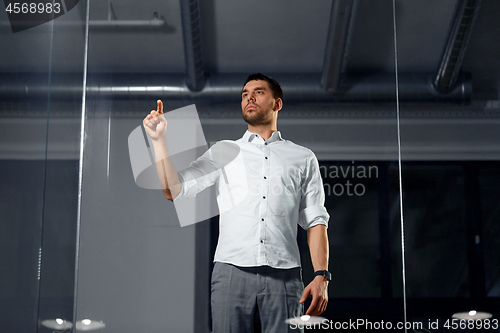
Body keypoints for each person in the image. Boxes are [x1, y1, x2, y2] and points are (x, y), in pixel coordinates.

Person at [143, 73, 330, 333]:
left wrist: (322, 275)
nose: (249, 97)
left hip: (285, 276)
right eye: (244, 94)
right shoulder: (224, 151)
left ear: (277, 104)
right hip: (230, 272)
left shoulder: (303, 157)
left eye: (258, 92)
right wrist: (158, 140)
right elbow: (173, 189)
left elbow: (315, 220)